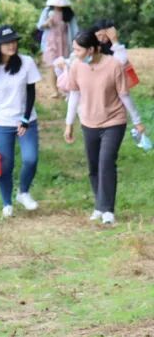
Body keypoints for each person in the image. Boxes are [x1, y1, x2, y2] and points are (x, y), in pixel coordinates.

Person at [59, 30, 146, 225]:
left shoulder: (114, 65)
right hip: (88, 121)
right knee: (93, 166)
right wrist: (68, 123)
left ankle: (107, 210)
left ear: (91, 49)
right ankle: (99, 206)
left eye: (78, 50)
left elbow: (124, 95)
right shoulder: (76, 66)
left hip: (114, 121)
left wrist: (137, 120)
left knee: (106, 162)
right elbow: (74, 94)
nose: (75, 53)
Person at [0, 25, 42, 218]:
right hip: (2, 123)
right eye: (6, 43)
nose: (11, 45)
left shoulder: (26, 62)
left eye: (13, 41)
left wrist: (25, 118)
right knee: (5, 165)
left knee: (31, 158)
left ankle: (23, 192)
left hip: (26, 120)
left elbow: (31, 91)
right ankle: (7, 203)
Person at [37, 0, 79, 85]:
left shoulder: (68, 13)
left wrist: (76, 42)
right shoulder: (47, 11)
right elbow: (40, 26)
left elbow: (74, 30)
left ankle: (63, 86)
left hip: (64, 42)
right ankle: (53, 89)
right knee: (51, 65)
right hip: (50, 42)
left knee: (63, 64)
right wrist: (47, 23)